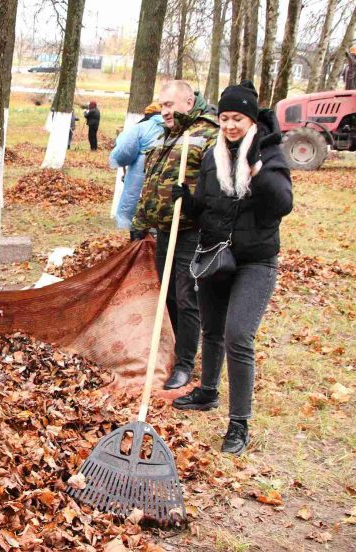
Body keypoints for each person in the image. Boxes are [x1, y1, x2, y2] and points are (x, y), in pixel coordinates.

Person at [170, 81, 292, 455]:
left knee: (239, 334)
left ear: (251, 119)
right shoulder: (213, 156)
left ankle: (239, 424)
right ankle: (207, 392)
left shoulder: (269, 155)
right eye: (224, 118)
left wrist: (257, 168)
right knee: (212, 330)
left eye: (237, 118)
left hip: (256, 260)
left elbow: (283, 203)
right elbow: (209, 207)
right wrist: (188, 204)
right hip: (216, 255)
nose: (230, 126)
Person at [130, 80, 219, 390]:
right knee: (168, 294)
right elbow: (151, 185)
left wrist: (199, 210)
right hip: (165, 229)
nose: (164, 111)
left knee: (186, 297)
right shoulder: (163, 137)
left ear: (188, 102)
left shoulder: (207, 135)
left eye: (169, 105)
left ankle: (184, 365)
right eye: (162, 105)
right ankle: (181, 350)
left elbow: (216, 187)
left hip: (191, 231)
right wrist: (140, 221)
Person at [109, 103, 164, 229]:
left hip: (139, 175)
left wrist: (116, 160)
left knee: (131, 205)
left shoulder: (141, 128)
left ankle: (129, 236)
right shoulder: (176, 127)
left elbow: (123, 153)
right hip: (167, 179)